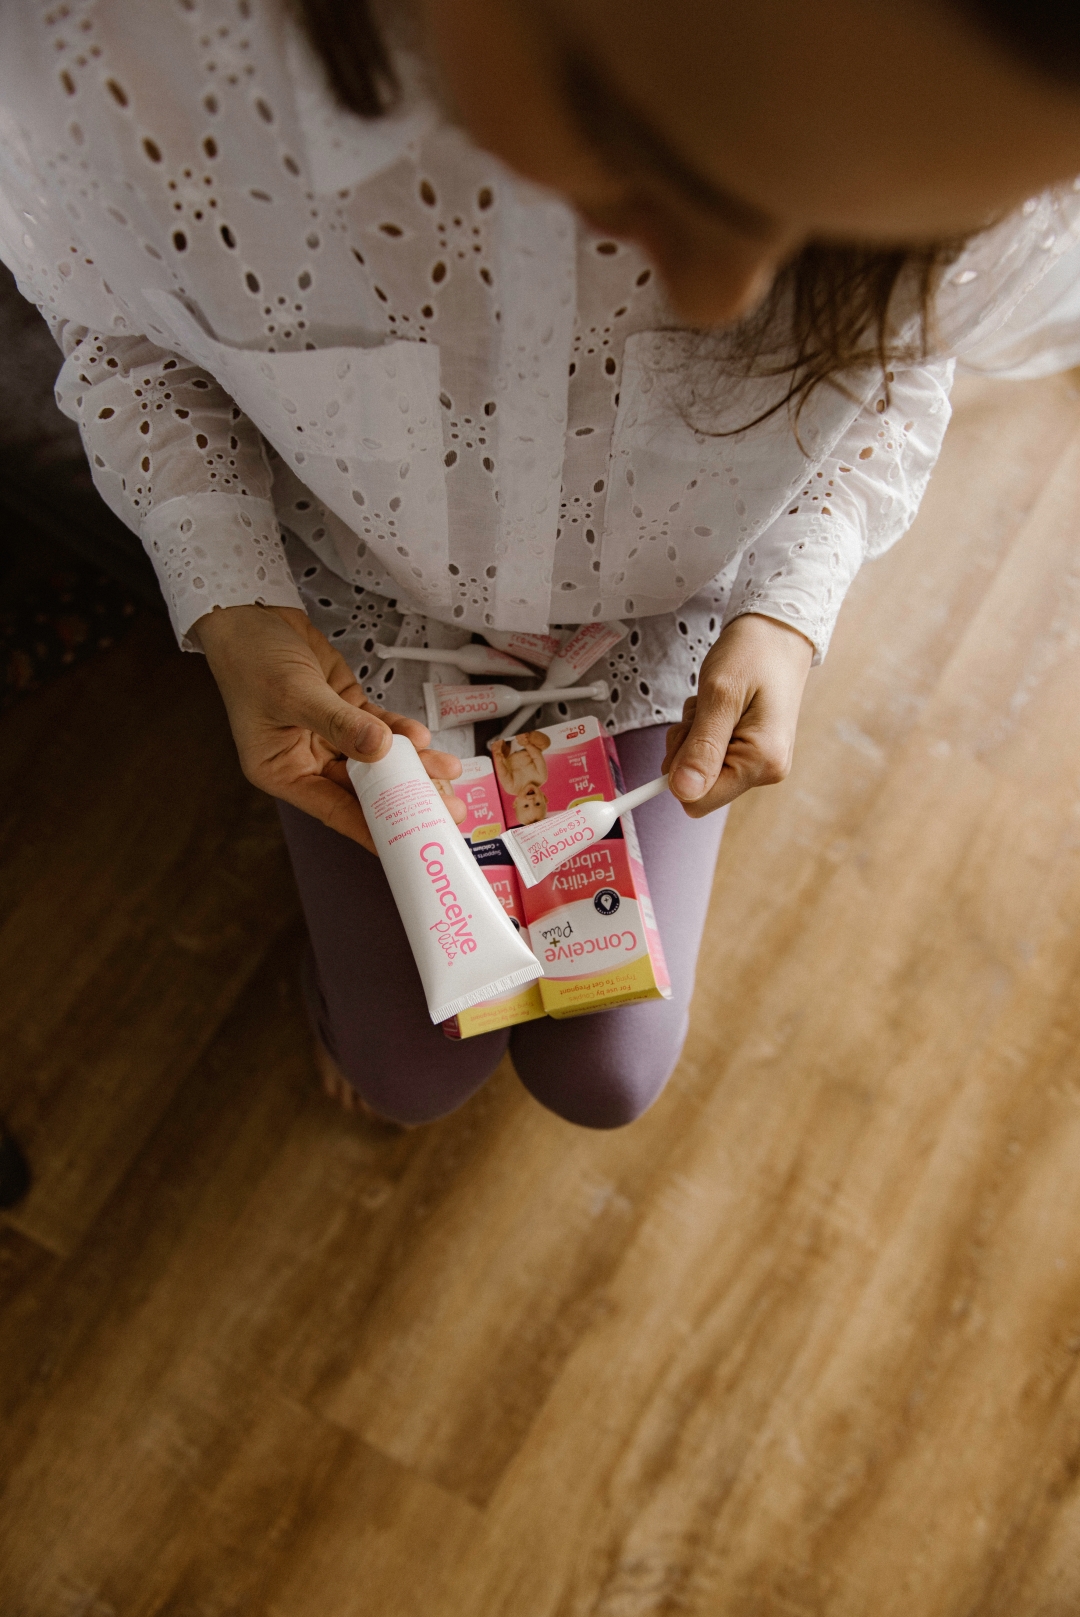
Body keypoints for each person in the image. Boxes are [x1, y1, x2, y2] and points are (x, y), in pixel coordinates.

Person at [1, 1, 1079, 1127]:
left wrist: (788, 608)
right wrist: (233, 602)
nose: (724, 299)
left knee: (607, 1074)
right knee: (410, 1069)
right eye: (682, 172)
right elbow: (121, 334)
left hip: (660, 616)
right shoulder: (131, 71)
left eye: (859, 236)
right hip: (354, 612)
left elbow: (898, 374)